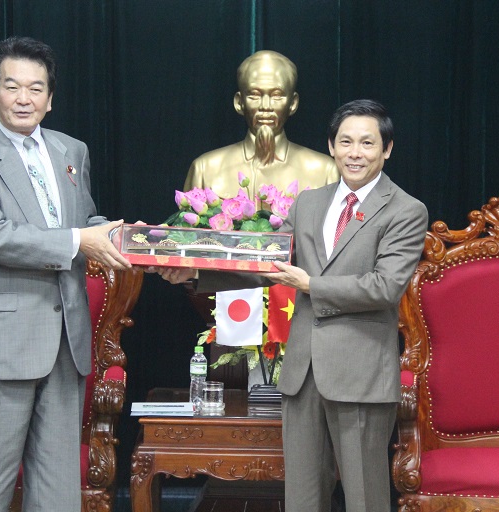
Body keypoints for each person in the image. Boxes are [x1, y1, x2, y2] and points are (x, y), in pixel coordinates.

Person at [156, 99, 429, 511]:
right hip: (302, 372)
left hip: (360, 373)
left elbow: (385, 287)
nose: (355, 152)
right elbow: (265, 267)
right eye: (346, 142)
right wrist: (196, 274)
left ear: (386, 150)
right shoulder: (310, 203)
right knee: (301, 497)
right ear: (332, 147)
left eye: (367, 143)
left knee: (364, 498)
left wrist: (310, 285)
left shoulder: (406, 210)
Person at [0, 36, 131, 512]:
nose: (24, 98)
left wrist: (128, 241)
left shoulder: (72, 150)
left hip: (67, 341)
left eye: (36, 88)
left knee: (57, 492)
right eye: (12, 87)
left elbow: (84, 222)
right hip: (1, 342)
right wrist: (79, 242)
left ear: (51, 98)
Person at [183, 50, 338, 200]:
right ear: (239, 102)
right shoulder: (205, 169)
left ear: (293, 103)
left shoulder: (325, 171)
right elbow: (182, 225)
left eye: (277, 95)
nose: (265, 106)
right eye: (254, 95)